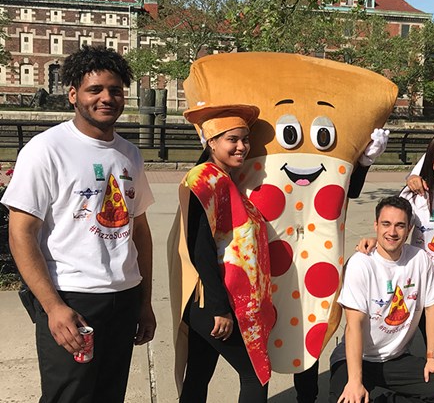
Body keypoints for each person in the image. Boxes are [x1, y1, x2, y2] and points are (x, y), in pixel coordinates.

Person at [1, 45, 156, 402]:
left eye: (115, 90)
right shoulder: (45, 150)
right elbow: (21, 232)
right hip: (73, 297)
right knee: (68, 396)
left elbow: (139, 231)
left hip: (124, 296)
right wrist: (53, 307)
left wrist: (144, 301)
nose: (107, 98)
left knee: (109, 394)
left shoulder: (129, 153)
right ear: (73, 94)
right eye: (95, 90)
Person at [168, 103, 275, 403]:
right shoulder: (205, 179)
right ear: (211, 142)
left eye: (245, 139)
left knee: (200, 372)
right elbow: (198, 248)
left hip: (216, 297)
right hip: (213, 299)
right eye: (232, 140)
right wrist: (219, 308)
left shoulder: (224, 179)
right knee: (256, 374)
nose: (242, 147)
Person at [329, 196, 434, 403]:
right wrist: (355, 381)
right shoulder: (361, 263)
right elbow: (353, 325)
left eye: (400, 225)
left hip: (395, 358)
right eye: (386, 224)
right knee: (347, 399)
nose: (392, 232)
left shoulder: (419, 258)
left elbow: (432, 308)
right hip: (355, 358)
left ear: (409, 229)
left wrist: (432, 357)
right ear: (375, 225)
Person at [357, 132, 434, 371]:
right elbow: (393, 222)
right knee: (425, 336)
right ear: (430, 160)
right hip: (420, 274)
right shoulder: (416, 194)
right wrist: (373, 240)